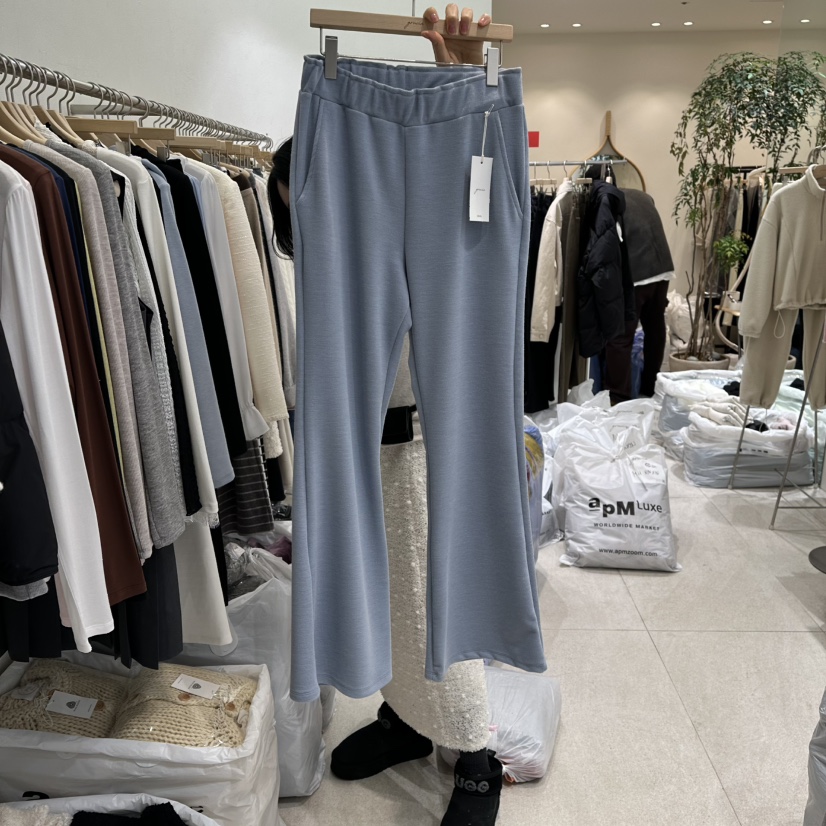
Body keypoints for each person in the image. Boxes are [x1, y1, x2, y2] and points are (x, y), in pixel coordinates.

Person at [268, 8, 505, 826]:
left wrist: (457, 82)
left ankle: (476, 755)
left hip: (421, 441)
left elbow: (459, 228)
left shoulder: (405, 211)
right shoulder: (312, 222)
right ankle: (406, 717)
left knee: (435, 595)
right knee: (388, 594)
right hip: (357, 446)